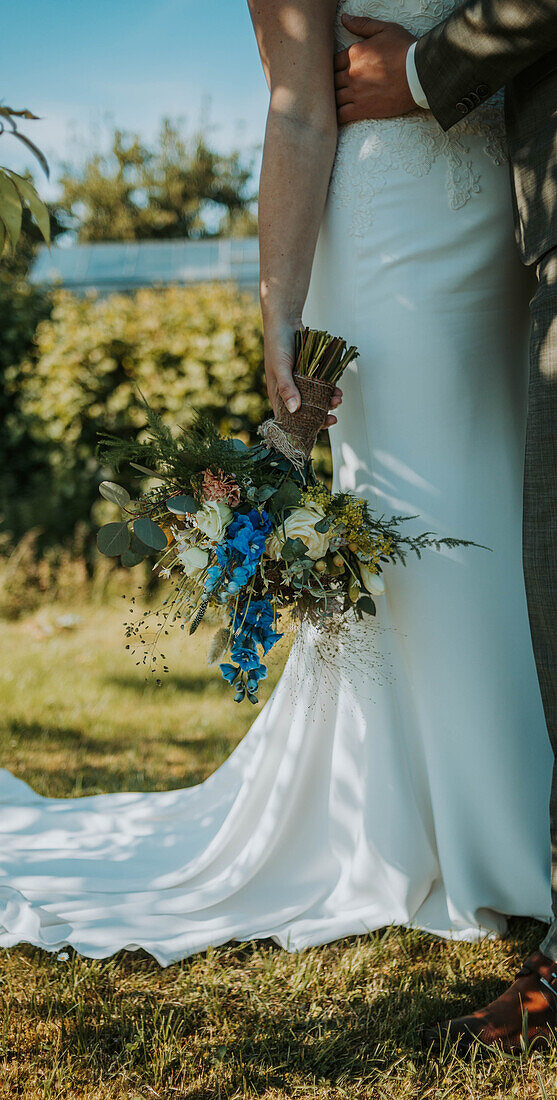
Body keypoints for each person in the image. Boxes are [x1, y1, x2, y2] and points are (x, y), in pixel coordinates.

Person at [0, 0, 554, 1030]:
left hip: (517, 214)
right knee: (438, 540)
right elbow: (296, 111)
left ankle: (527, 828)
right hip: (394, 238)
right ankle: (467, 833)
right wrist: (278, 313)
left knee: (523, 522)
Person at [331, 0, 557, 1051]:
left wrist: (424, 71)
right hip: (437, 220)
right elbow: (296, 104)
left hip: (492, 216)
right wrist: (279, 309)